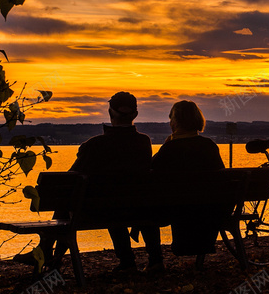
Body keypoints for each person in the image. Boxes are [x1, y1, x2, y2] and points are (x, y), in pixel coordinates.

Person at [14, 92, 162, 273]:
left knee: (71, 199)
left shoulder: (94, 145)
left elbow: (70, 179)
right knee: (110, 201)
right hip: (137, 209)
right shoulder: (144, 143)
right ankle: (148, 261)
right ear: (135, 114)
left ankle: (49, 254)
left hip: (102, 211)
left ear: (110, 112)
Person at [151, 100, 225, 269]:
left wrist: (167, 144)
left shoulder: (170, 149)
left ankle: (155, 261)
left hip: (178, 209)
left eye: (171, 119)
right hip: (210, 209)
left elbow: (151, 170)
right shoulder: (209, 146)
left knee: (146, 208)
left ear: (175, 122)